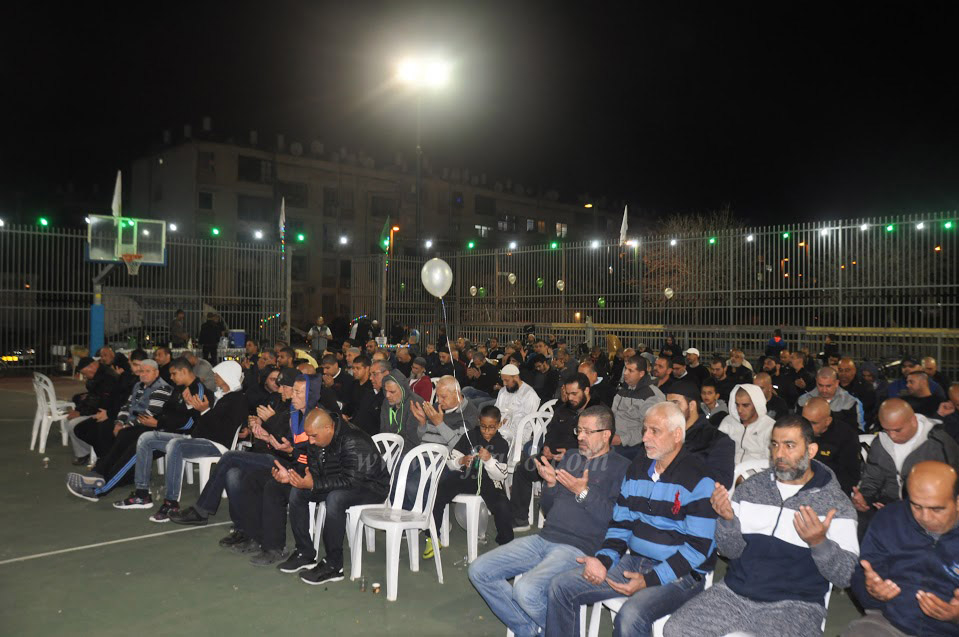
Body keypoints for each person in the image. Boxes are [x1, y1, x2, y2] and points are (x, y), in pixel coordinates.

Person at [664, 414, 860, 637]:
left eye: (789, 445)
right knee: (677, 630)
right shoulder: (751, 489)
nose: (779, 454)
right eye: (775, 445)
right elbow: (730, 552)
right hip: (734, 593)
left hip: (795, 605)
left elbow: (846, 576)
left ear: (811, 450)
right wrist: (727, 521)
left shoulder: (836, 504)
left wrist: (819, 543)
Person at [546, 402, 717, 637]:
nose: (645, 438)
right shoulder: (639, 468)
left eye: (654, 431)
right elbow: (621, 524)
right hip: (635, 561)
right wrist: (603, 560)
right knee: (561, 587)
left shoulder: (699, 477)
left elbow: (698, 548)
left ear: (677, 435)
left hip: (682, 574)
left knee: (630, 615)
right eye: (645, 430)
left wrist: (650, 579)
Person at [469, 405, 630, 637]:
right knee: (479, 570)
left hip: (578, 548)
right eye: (578, 430)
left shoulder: (622, 468)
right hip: (544, 538)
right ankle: (530, 630)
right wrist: (551, 485)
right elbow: (548, 509)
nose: (580, 437)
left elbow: (616, 518)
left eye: (587, 432)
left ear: (606, 435)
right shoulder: (572, 457)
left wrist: (583, 493)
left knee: (526, 590)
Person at [112, 361, 247, 520]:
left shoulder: (237, 399)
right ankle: (142, 494)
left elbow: (222, 429)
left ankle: (171, 502)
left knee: (176, 444)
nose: (215, 377)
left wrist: (205, 411)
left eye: (218, 374)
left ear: (227, 376)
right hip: (198, 438)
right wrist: (192, 407)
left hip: (215, 444)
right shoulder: (219, 395)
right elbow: (202, 423)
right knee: (146, 438)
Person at [272, 408, 391, 584]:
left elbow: (352, 481)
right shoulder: (317, 438)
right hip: (341, 481)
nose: (310, 441)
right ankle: (305, 552)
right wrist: (293, 479)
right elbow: (315, 473)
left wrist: (314, 484)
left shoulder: (353, 440)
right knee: (298, 491)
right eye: (309, 436)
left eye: (313, 436)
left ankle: (334, 565)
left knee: (335, 499)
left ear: (328, 428)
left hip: (371, 486)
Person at [845, 461, 959, 637]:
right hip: (891, 622)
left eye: (936, 509)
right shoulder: (890, 518)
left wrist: (956, 616)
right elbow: (863, 576)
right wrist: (872, 592)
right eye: (916, 506)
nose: (925, 517)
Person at [65, 359, 174, 501]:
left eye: (148, 371)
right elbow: (126, 406)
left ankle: (101, 483)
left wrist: (126, 426)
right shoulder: (138, 385)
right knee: (107, 430)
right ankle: (99, 473)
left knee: (124, 437)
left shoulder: (162, 388)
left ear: (156, 372)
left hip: (146, 426)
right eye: (141, 371)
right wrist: (119, 423)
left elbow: (149, 415)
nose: (143, 374)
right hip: (134, 424)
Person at [852, 399, 959, 528]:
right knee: (857, 523)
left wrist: (904, 509)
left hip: (926, 508)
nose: (892, 436)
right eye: (887, 430)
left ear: (913, 421)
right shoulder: (880, 443)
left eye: (897, 430)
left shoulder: (939, 445)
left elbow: (951, 490)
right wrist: (864, 500)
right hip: (886, 505)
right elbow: (872, 479)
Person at [509, 373, 595, 530]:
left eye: (574, 393)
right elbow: (550, 432)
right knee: (523, 468)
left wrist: (570, 454)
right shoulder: (563, 409)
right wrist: (546, 447)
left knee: (564, 474)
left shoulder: (597, 413)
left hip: (579, 461)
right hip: (551, 457)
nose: (570, 398)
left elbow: (596, 445)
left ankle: (560, 521)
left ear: (586, 391)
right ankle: (520, 519)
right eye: (567, 393)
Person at [425, 405, 512, 559]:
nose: (486, 431)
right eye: (483, 426)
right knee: (440, 490)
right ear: (478, 422)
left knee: (502, 505)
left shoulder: (501, 444)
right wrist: (461, 461)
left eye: (491, 427)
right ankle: (432, 536)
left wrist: (489, 460)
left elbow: (501, 476)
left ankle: (507, 543)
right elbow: (451, 460)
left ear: (499, 425)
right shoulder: (469, 436)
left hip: (490, 481)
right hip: (466, 477)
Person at [667, 386, 735, 489]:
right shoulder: (663, 434)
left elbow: (722, 482)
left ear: (692, 405)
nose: (669, 409)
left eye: (675, 403)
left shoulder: (717, 440)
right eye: (667, 404)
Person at [65, 356, 120, 465]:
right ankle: (84, 452)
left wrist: (80, 412)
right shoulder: (100, 374)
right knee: (75, 407)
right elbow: (93, 396)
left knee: (73, 424)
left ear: (92, 366)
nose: (85, 377)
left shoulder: (107, 377)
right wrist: (79, 407)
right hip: (98, 409)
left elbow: (99, 401)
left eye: (85, 374)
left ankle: (84, 454)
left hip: (105, 412)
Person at [609, 355, 665, 459]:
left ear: (641, 373)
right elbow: (612, 415)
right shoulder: (622, 391)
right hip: (614, 440)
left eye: (630, 370)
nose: (625, 373)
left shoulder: (652, 396)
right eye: (626, 369)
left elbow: (650, 428)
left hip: (635, 446)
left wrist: (622, 439)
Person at [803, 396, 861, 495]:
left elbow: (849, 477)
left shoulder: (846, 436)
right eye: (804, 421)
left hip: (831, 490)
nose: (807, 426)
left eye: (813, 423)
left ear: (827, 421)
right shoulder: (797, 430)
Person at [410, 376, 477, 450]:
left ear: (457, 394)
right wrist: (422, 424)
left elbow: (460, 446)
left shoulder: (469, 413)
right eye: (437, 396)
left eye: (443, 397)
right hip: (422, 451)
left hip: (443, 456)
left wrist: (439, 424)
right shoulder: (436, 406)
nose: (439, 401)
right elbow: (420, 437)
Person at [719, 384, 776, 464]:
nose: (740, 410)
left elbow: (771, 462)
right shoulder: (728, 422)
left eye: (745, 405)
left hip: (757, 470)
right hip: (728, 469)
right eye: (737, 405)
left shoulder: (770, 427)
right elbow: (718, 451)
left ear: (756, 404)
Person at [797, 366, 866, 432]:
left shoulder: (851, 402)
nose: (824, 390)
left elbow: (858, 431)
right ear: (816, 381)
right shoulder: (803, 401)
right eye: (820, 385)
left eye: (828, 386)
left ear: (836, 383)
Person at [494, 364, 542, 443]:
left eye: (507, 380)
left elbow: (527, 421)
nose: (504, 384)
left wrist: (507, 422)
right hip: (500, 427)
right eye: (503, 380)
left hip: (519, 433)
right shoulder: (503, 391)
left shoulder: (529, 394)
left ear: (516, 377)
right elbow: (496, 410)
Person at [341, 354, 380, 436]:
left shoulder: (372, 386)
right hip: (351, 421)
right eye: (353, 368)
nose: (354, 371)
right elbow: (349, 403)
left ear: (367, 368)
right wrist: (345, 415)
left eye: (358, 368)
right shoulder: (353, 384)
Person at [838, 357, 878, 426]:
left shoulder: (865, 388)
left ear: (854, 371)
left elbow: (867, 411)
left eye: (847, 370)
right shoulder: (832, 385)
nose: (843, 373)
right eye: (840, 370)